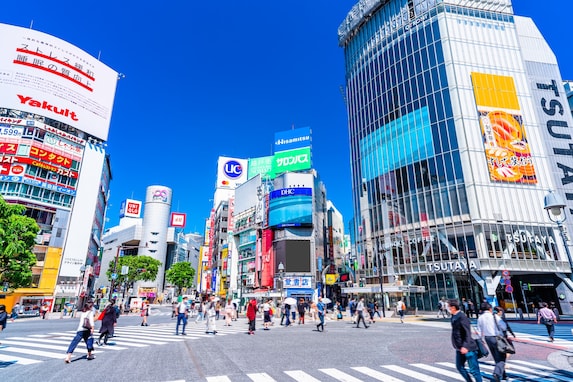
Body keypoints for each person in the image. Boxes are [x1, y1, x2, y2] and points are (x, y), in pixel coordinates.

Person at [449, 299, 482, 382]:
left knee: (474, 370)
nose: (447, 308)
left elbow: (467, 333)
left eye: (448, 306)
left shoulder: (462, 317)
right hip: (459, 347)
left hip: (468, 348)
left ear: (453, 307)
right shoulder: (454, 316)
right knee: (459, 367)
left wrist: (465, 346)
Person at [478, 303, 507, 382]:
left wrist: (481, 340)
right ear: (490, 309)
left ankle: (503, 374)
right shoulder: (494, 316)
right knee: (502, 356)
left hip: (487, 338)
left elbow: (479, 331)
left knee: (496, 356)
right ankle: (497, 373)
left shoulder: (480, 318)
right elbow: (503, 326)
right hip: (497, 337)